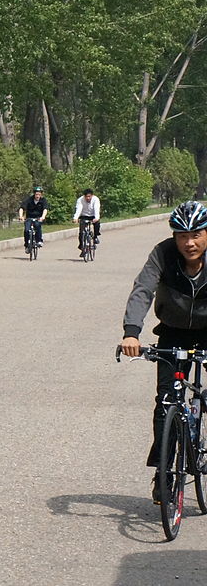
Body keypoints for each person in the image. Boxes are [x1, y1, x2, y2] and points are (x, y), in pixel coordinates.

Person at [119, 201, 207, 503]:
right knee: (166, 401)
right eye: (182, 235)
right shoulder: (163, 253)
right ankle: (164, 471)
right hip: (172, 331)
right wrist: (131, 332)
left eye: (196, 234)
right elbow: (143, 288)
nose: (189, 243)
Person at [18, 187, 50, 251]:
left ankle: (39, 241)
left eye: (39, 194)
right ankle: (27, 245)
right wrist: (21, 216)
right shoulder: (29, 200)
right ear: (34, 194)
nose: (37, 196)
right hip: (29, 218)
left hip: (38, 218)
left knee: (38, 226)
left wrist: (43, 217)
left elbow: (45, 209)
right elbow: (22, 208)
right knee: (26, 230)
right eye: (36, 194)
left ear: (41, 194)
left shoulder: (43, 200)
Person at [74, 188, 102, 255]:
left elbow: (96, 209)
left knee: (97, 223)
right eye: (86, 196)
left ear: (92, 196)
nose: (88, 198)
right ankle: (82, 246)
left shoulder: (96, 199)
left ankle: (95, 236)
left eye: (89, 196)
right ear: (84, 196)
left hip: (93, 215)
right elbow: (79, 209)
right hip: (84, 215)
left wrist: (96, 218)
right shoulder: (80, 200)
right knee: (81, 232)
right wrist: (75, 218)